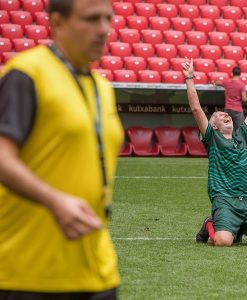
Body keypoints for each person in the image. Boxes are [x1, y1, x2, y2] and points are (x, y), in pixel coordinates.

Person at [0, 0, 122, 298]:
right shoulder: (27, 74)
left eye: (108, 18)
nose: (103, 29)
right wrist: (53, 200)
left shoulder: (102, 88)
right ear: (58, 22)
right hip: (29, 275)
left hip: (98, 273)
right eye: (92, 19)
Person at [184, 57, 247, 247]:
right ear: (214, 125)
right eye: (220, 116)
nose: (226, 115)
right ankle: (210, 223)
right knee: (222, 242)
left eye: (226, 114)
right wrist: (190, 78)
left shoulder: (242, 135)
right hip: (225, 200)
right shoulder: (212, 138)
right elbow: (196, 109)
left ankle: (241, 226)